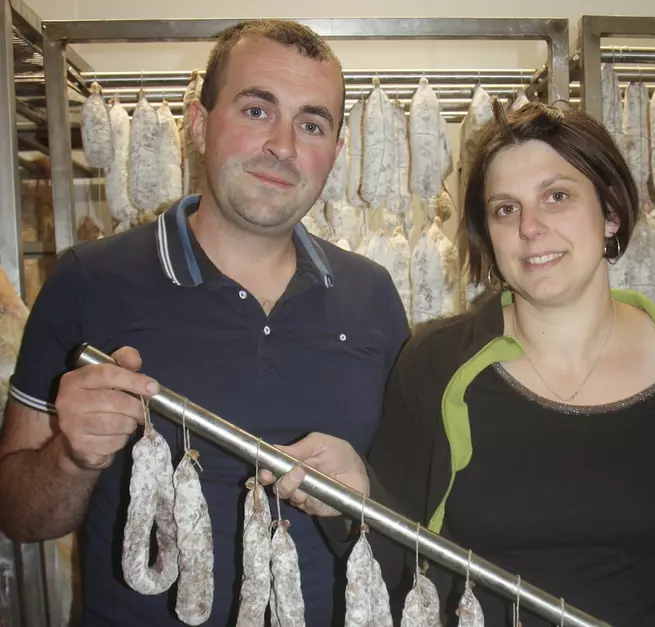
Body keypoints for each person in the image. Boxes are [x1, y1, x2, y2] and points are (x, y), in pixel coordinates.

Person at [263, 102, 655, 626]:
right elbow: (401, 567)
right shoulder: (437, 364)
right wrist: (354, 499)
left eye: (556, 197)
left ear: (609, 213)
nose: (530, 228)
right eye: (505, 209)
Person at [0, 19, 409, 627]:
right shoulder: (87, 282)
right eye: (255, 110)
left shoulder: (372, 294)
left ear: (336, 152)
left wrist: (364, 495)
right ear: (198, 123)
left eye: (312, 124)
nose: (284, 146)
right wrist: (71, 458)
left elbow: (406, 509)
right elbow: (18, 513)